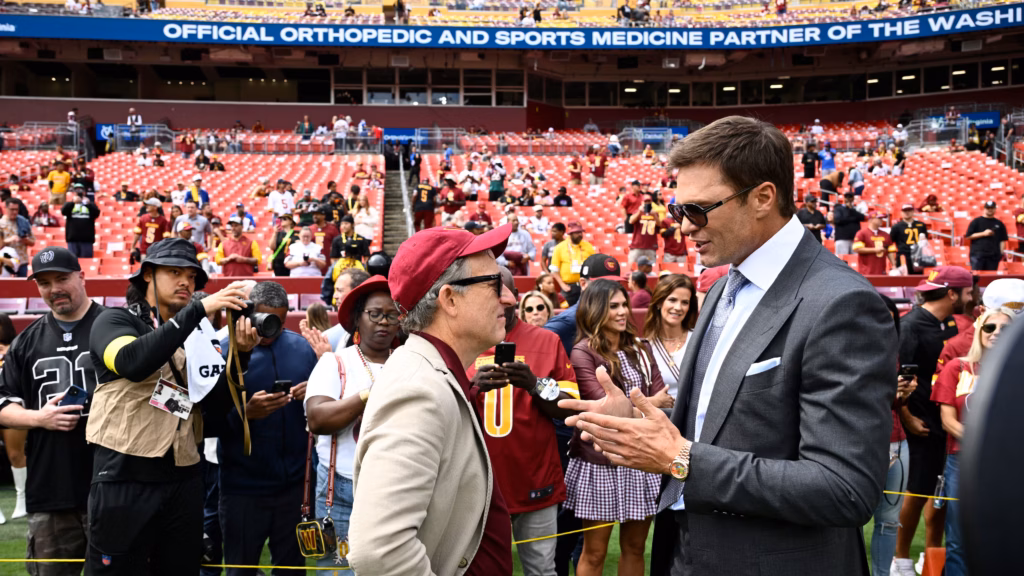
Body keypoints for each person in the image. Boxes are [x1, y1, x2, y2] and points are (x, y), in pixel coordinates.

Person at [560, 116, 897, 576]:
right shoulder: (723, 287)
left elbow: (844, 487)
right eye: (680, 211)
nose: (684, 227)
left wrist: (679, 459)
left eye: (698, 210)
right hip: (688, 552)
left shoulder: (841, 303)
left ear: (762, 198)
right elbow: (710, 427)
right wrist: (641, 425)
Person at [347, 224, 517, 574]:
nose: (509, 298)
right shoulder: (418, 389)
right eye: (494, 284)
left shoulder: (433, 374)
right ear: (449, 300)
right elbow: (380, 552)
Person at [85, 239, 259, 574]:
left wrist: (242, 353)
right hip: (124, 475)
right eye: (174, 272)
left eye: (192, 277)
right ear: (147, 275)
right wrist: (198, 309)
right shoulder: (114, 321)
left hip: (183, 476)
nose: (186, 282)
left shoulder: (192, 335)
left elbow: (213, 407)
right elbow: (131, 362)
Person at [462, 267, 579, 575]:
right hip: (477, 486)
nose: (501, 302)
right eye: (492, 294)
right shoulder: (463, 341)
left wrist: (534, 384)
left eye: (506, 294)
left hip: (534, 480)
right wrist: (472, 389)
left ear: (517, 296)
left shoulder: (546, 341)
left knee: (541, 570)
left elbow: (569, 409)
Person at [0, 248, 104, 574]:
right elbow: (2, 403)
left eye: (61, 278)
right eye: (44, 282)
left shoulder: (116, 326)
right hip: (51, 486)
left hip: (114, 483)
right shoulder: (26, 341)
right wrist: (39, 418)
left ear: (81, 277)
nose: (54, 288)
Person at [566, 278, 671, 576]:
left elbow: (664, 401)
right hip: (600, 460)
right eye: (614, 306)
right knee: (595, 552)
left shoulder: (640, 348)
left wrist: (641, 405)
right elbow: (603, 408)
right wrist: (647, 404)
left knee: (636, 548)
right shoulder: (583, 352)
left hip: (642, 457)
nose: (623, 311)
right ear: (596, 310)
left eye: (624, 304)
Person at [216, 282, 316, 576]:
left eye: (279, 322)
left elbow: (322, 409)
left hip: (294, 487)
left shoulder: (300, 348)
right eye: (265, 321)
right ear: (249, 314)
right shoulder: (225, 353)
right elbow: (206, 421)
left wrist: (314, 391)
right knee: (240, 569)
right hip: (243, 489)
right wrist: (243, 414)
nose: (271, 330)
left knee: (291, 569)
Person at [299, 275, 399, 570]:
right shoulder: (335, 363)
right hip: (340, 490)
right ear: (357, 319)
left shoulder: (408, 362)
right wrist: (370, 392)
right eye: (375, 314)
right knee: (338, 570)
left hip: (395, 488)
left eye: (392, 315)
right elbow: (317, 419)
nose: (383, 322)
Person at [891, 266, 974, 576]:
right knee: (918, 490)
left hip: (942, 422)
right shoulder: (911, 325)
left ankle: (932, 556)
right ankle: (900, 559)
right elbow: (899, 378)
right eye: (967, 292)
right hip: (921, 423)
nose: (970, 297)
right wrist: (907, 416)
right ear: (951, 293)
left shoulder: (950, 324)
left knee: (940, 495)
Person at [931, 307, 1012, 576]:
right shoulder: (958, 367)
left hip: (1009, 464)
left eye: (1005, 328)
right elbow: (948, 421)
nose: (997, 333)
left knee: (1008, 536)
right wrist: (987, 442)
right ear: (979, 332)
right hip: (961, 461)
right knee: (958, 540)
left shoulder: (1017, 372)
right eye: (990, 327)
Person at [642, 274, 698, 400]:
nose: (678, 307)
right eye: (672, 300)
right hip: (662, 415)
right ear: (659, 302)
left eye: (684, 302)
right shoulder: (645, 346)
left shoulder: (699, 340)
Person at [322, 268, 370, 351]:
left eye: (340, 290)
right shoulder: (327, 338)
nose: (335, 296)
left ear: (356, 293)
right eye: (335, 290)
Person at [549, 222, 596, 304]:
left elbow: (594, 265)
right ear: (570, 234)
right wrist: (562, 285)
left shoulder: (588, 246)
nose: (580, 235)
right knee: (565, 309)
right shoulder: (559, 248)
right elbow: (554, 270)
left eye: (581, 232)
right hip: (568, 287)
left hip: (586, 285)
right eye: (577, 233)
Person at [965, 200, 1008, 271]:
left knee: (990, 278)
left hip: (993, 256)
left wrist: (1001, 253)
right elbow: (968, 236)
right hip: (978, 255)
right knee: (977, 277)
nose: (990, 210)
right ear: (984, 209)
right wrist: (983, 234)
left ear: (995, 209)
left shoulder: (999, 223)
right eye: (988, 208)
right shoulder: (976, 221)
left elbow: (1002, 240)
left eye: (992, 208)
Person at [62, 187, 100, 258]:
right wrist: (73, 202)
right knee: (73, 262)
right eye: (77, 191)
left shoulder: (90, 204)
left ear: (85, 192)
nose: (79, 192)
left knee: (86, 262)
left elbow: (96, 213)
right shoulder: (70, 204)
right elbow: (64, 211)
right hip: (73, 239)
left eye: (81, 190)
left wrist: (88, 204)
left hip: (86, 239)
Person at [890, 204, 929, 274]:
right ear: (901, 212)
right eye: (905, 211)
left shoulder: (921, 225)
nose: (907, 213)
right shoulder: (897, 227)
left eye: (909, 210)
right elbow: (891, 241)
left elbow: (925, 239)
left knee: (918, 277)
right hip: (903, 255)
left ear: (913, 212)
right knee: (904, 278)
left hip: (918, 255)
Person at [1, 198, 35, 277]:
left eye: (16, 209)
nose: (15, 212)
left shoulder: (24, 222)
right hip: (5, 261)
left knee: (21, 286)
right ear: (6, 208)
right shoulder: (1, 223)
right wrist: (8, 240)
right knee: (5, 287)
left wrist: (25, 240)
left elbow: (32, 242)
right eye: (12, 209)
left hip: (21, 259)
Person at [629, 193, 662, 266]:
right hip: (637, 245)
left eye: (648, 202)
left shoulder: (654, 213)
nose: (647, 203)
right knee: (633, 265)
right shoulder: (637, 212)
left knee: (651, 266)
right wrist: (639, 211)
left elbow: (659, 224)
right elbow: (631, 221)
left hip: (650, 245)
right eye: (645, 201)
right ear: (642, 202)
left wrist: (654, 215)